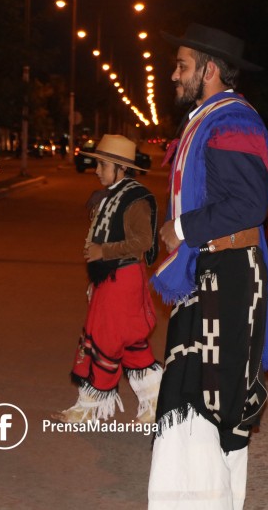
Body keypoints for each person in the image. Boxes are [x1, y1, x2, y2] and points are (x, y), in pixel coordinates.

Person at [147, 24, 268, 509]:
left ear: (209, 70)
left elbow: (248, 205)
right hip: (208, 273)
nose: (173, 74)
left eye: (182, 65)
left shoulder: (234, 122)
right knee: (193, 399)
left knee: (211, 402)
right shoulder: (209, 117)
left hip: (227, 279)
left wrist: (181, 229)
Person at [53, 134, 162, 424]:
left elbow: (143, 241)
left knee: (104, 340)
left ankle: (88, 406)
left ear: (119, 167)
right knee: (130, 342)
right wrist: (96, 277)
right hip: (110, 280)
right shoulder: (111, 194)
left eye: (102, 165)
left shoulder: (135, 198)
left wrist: (104, 251)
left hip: (124, 279)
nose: (97, 170)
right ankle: (155, 401)